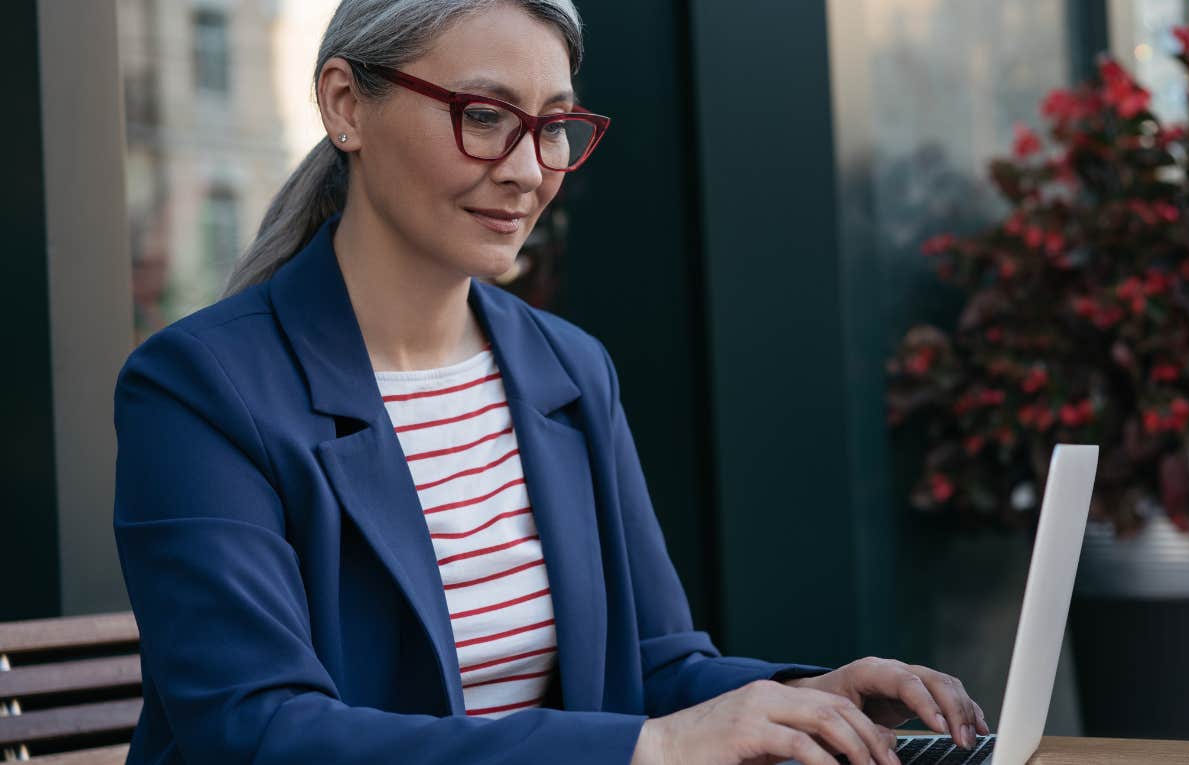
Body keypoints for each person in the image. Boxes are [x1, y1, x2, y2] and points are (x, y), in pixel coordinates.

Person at [111, 1, 987, 763]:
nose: (531, 170)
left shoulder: (565, 367)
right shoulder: (199, 388)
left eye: (556, 125)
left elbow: (650, 666)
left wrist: (811, 698)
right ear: (347, 105)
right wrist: (647, 747)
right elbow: (260, 734)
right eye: (486, 115)